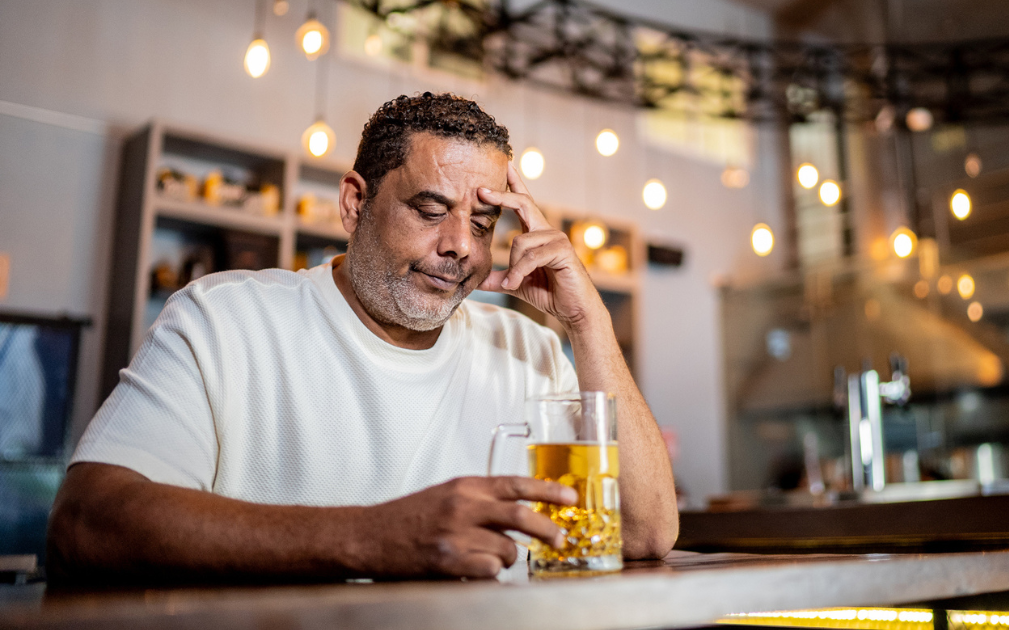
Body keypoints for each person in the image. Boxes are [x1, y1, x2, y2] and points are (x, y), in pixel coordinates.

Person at [48, 93, 678, 584]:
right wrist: (374, 538)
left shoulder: (530, 351)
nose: (461, 244)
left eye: (483, 223)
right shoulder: (224, 320)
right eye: (430, 210)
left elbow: (645, 533)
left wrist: (587, 319)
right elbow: (86, 522)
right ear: (354, 203)